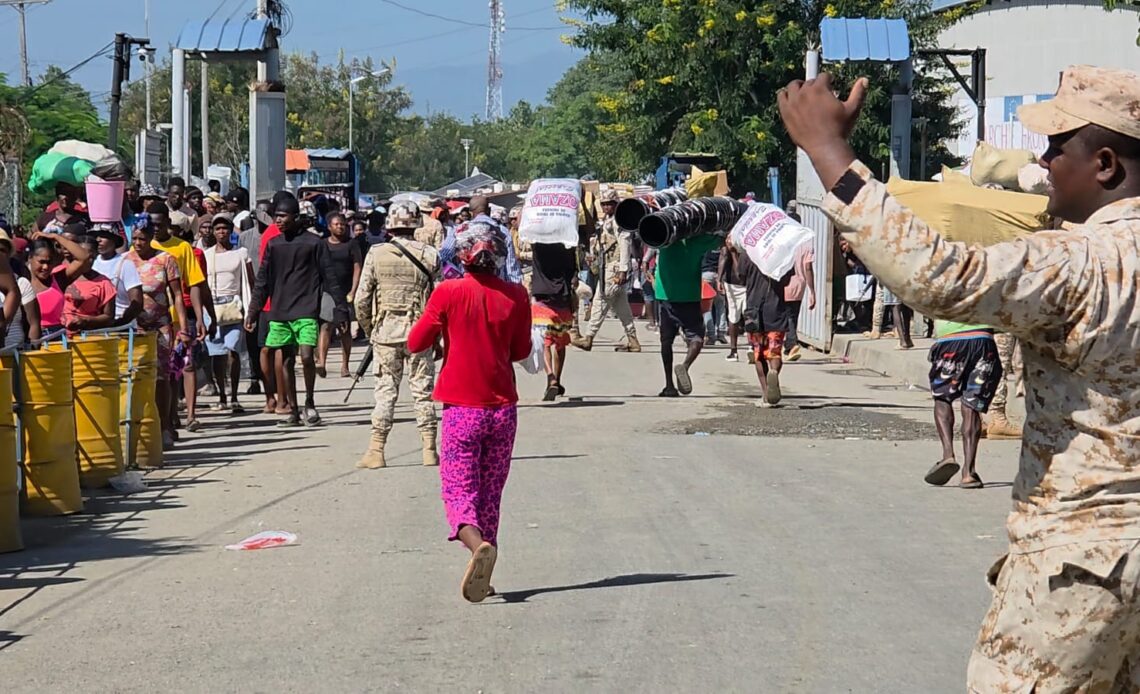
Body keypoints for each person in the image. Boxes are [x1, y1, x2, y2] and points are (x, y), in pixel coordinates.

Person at [779, 65, 1140, 692]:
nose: (1044, 159)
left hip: (1085, 564)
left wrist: (829, 152)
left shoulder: (1085, 260)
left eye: (1058, 146)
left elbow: (941, 276)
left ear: (1105, 165)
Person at [407, 222, 532, 603]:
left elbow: (416, 342)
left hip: (462, 409)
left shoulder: (449, 292)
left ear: (462, 256)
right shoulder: (516, 295)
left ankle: (477, 546)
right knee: (490, 493)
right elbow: (520, 351)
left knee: (459, 489)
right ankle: (485, 565)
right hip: (503, 409)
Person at [246, 193, 349, 427]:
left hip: (306, 310)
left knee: (306, 356)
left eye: (283, 216)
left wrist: (341, 309)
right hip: (280, 311)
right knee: (286, 360)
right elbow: (262, 281)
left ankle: (310, 402)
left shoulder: (314, 243)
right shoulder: (274, 244)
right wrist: (253, 311)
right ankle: (293, 409)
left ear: (295, 216)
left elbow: (330, 278)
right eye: (276, 216)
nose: (278, 220)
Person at [353, 201, 439, 468]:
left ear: (390, 225)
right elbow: (439, 299)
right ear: (416, 224)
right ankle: (429, 449)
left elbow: (361, 299)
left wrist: (370, 330)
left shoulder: (376, 253)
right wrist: (437, 335)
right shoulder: (430, 254)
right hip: (420, 332)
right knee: (423, 391)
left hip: (385, 332)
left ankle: (376, 450)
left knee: (385, 392)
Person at [149, 201, 214, 433]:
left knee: (187, 364)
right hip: (155, 320)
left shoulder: (182, 248)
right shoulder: (144, 247)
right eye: (151, 224)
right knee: (166, 370)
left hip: (182, 316)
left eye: (159, 224)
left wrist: (201, 317)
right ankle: (170, 415)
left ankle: (191, 415)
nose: (155, 228)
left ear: (168, 222)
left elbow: (195, 284)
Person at [125, 221, 190, 448]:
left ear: (151, 238)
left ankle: (164, 425)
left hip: (161, 326)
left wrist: (183, 327)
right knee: (137, 377)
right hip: (134, 328)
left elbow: (177, 295)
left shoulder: (165, 260)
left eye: (142, 239)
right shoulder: (125, 261)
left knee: (162, 377)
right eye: (135, 239)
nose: (138, 243)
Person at [654, 233, 723, 397]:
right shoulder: (696, 242)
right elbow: (720, 239)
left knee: (666, 341)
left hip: (666, 295)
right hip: (690, 296)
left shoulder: (663, 240)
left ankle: (669, 385)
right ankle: (685, 365)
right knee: (697, 337)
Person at [572, 189, 641, 353]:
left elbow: (625, 244)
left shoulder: (619, 221)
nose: (606, 207)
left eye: (609, 204)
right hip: (607, 266)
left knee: (600, 301)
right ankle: (633, 340)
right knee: (622, 307)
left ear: (616, 204)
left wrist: (623, 270)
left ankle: (588, 338)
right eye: (603, 204)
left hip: (614, 268)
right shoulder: (607, 221)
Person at [204, 214, 254, 413]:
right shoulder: (206, 255)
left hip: (234, 308)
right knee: (217, 354)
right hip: (212, 310)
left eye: (225, 228)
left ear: (231, 231)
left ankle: (234, 396)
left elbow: (250, 281)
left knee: (233, 350)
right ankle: (222, 396)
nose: (221, 232)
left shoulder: (241, 253)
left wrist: (252, 310)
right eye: (217, 229)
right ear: (213, 232)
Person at [736, 241, 791, 406]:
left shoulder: (747, 253)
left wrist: (734, 253)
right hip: (776, 308)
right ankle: (774, 371)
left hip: (754, 309)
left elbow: (740, 277)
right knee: (774, 352)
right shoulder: (781, 252)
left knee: (758, 354)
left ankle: (766, 394)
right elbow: (787, 280)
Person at [530, 240, 578, 401]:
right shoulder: (568, 246)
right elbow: (573, 271)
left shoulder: (537, 245)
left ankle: (551, 377)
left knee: (544, 343)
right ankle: (557, 378)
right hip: (562, 301)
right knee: (560, 343)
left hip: (541, 302)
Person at [319, 212, 362, 379]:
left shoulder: (351, 244)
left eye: (342, 224)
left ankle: (345, 365)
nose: (340, 227)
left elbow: (357, 267)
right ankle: (322, 363)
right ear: (329, 227)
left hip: (346, 291)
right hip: (328, 291)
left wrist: (353, 290)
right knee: (326, 326)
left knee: (344, 329)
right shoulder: (323, 244)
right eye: (336, 224)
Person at [46, 233, 116, 335]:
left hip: (84, 337)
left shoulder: (104, 283)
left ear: (96, 256)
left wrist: (87, 320)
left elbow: (109, 317)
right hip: (55, 334)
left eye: (91, 257)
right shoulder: (60, 274)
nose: (86, 261)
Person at [90, 225, 144, 328]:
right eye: (96, 236)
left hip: (120, 324)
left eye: (104, 236)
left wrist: (120, 323)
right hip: (94, 323)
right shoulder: (92, 263)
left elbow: (136, 303)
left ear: (114, 240)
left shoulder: (125, 264)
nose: (98, 240)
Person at [469, 195, 522, 284]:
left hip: (471, 285)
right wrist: (516, 287)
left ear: (470, 213)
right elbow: (511, 266)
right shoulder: (502, 231)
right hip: (498, 285)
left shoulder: (463, 231)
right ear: (489, 210)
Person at [782, 237, 816, 362]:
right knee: (793, 315)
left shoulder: (783, 242)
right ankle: (788, 346)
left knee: (787, 316)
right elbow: (808, 268)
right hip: (799, 285)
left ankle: (791, 344)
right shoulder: (806, 245)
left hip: (784, 284)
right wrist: (812, 290)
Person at [717, 237, 748, 361]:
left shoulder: (728, 241)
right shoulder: (749, 240)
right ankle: (752, 346)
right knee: (749, 315)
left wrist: (719, 279)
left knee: (733, 316)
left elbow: (724, 256)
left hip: (732, 283)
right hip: (749, 282)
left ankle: (733, 351)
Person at [29, 238, 65, 334]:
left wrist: (54, 236)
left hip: (57, 336)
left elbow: (84, 258)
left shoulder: (59, 279)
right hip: (30, 336)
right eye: (41, 262)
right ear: (30, 258)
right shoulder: (19, 283)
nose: (46, 267)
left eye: (49, 262)